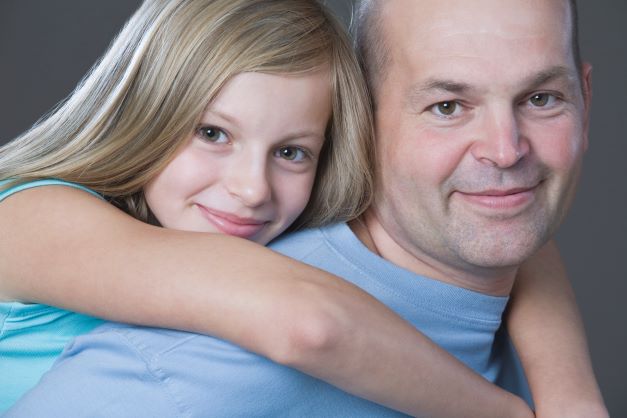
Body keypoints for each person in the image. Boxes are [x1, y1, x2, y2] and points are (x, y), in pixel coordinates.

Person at [0, 0, 606, 417]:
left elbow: (502, 215)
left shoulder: (266, 213)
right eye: (213, 133)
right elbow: (309, 322)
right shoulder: (28, 217)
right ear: (147, 113)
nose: (251, 189)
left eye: (292, 150)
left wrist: (570, 391)